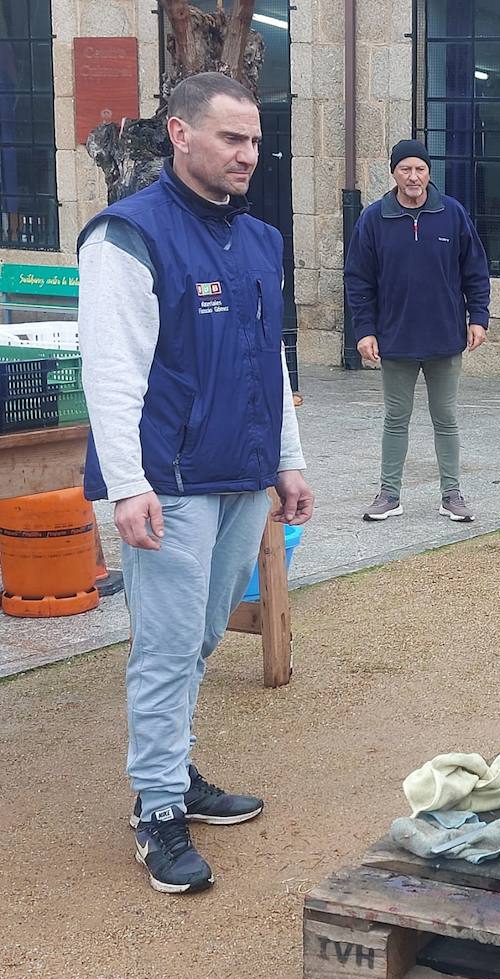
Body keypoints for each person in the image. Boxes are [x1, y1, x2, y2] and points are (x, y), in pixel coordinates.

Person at [78, 72, 314, 895]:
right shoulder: (127, 235)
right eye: (230, 138)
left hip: (241, 476)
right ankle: (155, 808)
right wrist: (126, 483)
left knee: (204, 635)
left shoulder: (258, 241)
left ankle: (175, 771)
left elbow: (269, 356)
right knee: (166, 647)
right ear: (179, 134)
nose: (249, 153)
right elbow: (110, 372)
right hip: (168, 485)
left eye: (254, 140)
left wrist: (290, 460)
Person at [344, 140, 491, 523]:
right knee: (396, 418)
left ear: (429, 173)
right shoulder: (374, 220)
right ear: (393, 172)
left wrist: (478, 317)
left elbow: (475, 270)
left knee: (446, 418)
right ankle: (389, 494)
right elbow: (358, 280)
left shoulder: (452, 215)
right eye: (406, 169)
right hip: (395, 340)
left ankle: (452, 494)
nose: (414, 177)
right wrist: (364, 330)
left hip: (444, 338)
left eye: (420, 169)